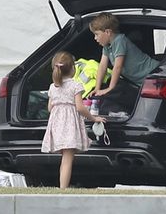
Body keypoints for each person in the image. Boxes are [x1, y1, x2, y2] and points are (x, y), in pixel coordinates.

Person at [41, 51, 106, 189]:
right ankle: (63, 188)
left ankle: (62, 185)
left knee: (64, 158)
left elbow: (49, 108)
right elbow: (80, 108)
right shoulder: (75, 85)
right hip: (69, 125)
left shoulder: (53, 87)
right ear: (73, 68)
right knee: (67, 159)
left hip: (57, 125)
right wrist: (94, 118)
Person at [89, 12, 159, 113]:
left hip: (152, 73)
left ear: (107, 32)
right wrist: (97, 88)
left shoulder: (119, 40)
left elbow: (117, 66)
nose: (95, 38)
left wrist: (110, 89)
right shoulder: (107, 46)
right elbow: (102, 66)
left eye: (97, 34)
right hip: (141, 82)